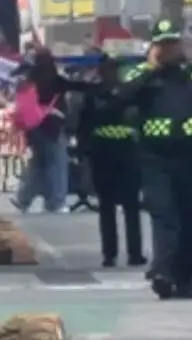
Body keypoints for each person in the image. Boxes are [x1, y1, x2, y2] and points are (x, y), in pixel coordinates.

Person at [122, 19, 192, 300]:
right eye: (163, 44)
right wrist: (150, 69)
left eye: (173, 43)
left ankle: (184, 278)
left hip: (190, 157)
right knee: (163, 215)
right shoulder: (142, 76)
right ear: (154, 47)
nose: (169, 49)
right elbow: (119, 100)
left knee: (188, 217)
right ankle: (162, 271)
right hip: (154, 158)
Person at [77, 55, 146, 268]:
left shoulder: (110, 94)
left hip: (117, 153)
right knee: (117, 207)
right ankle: (119, 253)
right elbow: (84, 125)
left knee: (123, 207)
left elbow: (83, 126)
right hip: (113, 153)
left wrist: (83, 151)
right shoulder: (120, 94)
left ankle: (123, 253)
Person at [11, 49, 88, 214]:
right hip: (52, 126)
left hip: (33, 127)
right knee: (57, 164)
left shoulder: (29, 78)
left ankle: (23, 199)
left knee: (38, 164)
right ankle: (56, 202)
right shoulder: (53, 78)